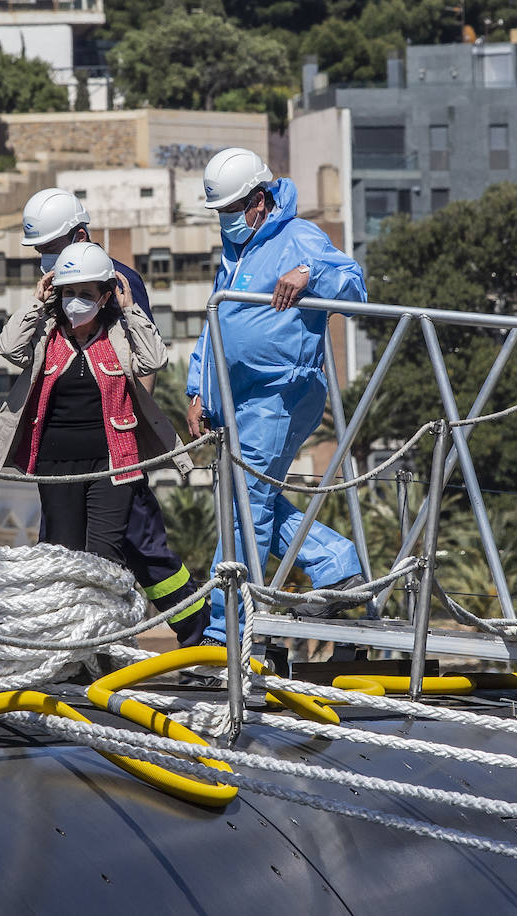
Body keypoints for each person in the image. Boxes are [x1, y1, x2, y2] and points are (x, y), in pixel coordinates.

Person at [185, 147, 367, 645]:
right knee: (247, 498)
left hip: (281, 393)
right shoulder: (237, 251)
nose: (224, 221)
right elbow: (215, 323)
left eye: (229, 210)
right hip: (236, 396)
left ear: (259, 200)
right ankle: (337, 566)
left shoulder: (298, 237)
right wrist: (198, 390)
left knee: (249, 503)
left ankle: (228, 631)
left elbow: (354, 289)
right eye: (219, 212)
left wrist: (311, 275)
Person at [19, 188, 209, 646]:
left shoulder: (116, 281)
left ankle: (198, 630)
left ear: (80, 235)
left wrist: (126, 437)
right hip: (68, 450)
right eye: (40, 251)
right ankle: (80, 638)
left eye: (50, 248)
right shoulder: (57, 285)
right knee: (71, 547)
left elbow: (142, 365)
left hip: (113, 447)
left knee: (141, 543)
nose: (45, 259)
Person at [0, 242, 192, 569]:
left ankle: (106, 621)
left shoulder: (119, 333)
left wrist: (131, 310)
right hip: (55, 465)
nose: (75, 301)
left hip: (113, 463)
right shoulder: (46, 333)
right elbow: (9, 349)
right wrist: (36, 302)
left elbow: (154, 360)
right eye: (69, 292)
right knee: (62, 556)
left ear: (104, 297)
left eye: (86, 292)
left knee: (105, 557)